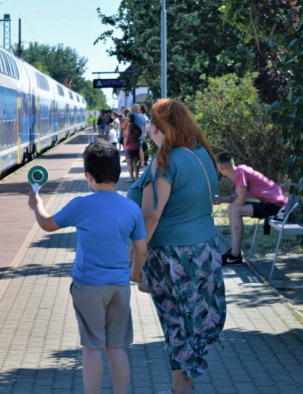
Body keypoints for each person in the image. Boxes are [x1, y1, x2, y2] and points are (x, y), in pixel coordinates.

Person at [28, 139, 147, 394]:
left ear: (89, 176)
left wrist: (36, 205)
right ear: (117, 174)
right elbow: (141, 249)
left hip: (89, 286)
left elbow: (48, 224)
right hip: (120, 286)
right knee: (117, 347)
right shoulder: (131, 207)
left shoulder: (82, 204)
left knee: (92, 347)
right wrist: (135, 275)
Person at [127, 98, 226, 394]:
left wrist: (137, 266)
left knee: (176, 323)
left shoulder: (165, 161)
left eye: (152, 126)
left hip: (173, 256)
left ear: (158, 127)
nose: (149, 130)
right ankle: (184, 384)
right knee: (189, 321)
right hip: (205, 250)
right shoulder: (201, 154)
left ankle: (180, 387)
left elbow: (151, 216)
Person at [214, 152, 288, 265]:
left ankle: (235, 255)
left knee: (235, 210)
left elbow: (241, 200)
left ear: (221, 168)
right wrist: (223, 199)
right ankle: (235, 252)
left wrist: (231, 206)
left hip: (277, 207)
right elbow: (238, 197)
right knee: (233, 209)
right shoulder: (240, 170)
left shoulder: (239, 173)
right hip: (274, 205)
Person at [124, 113, 142, 182]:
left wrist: (126, 143)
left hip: (130, 146)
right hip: (136, 145)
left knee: (129, 163)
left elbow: (128, 135)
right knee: (136, 162)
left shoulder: (129, 126)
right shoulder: (136, 126)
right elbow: (140, 132)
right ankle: (136, 177)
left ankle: (131, 178)